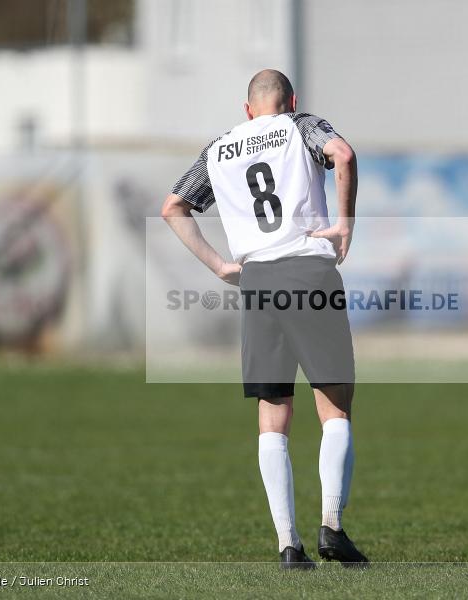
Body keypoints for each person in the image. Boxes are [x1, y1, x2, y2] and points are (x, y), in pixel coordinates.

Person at [162, 69, 368, 570]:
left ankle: (288, 545)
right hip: (308, 268)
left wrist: (220, 265)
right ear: (291, 99)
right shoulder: (301, 125)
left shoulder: (220, 147)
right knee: (334, 408)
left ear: (247, 108)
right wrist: (344, 225)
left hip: (257, 280)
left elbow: (173, 206)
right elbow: (342, 154)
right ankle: (332, 528)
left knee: (273, 416)